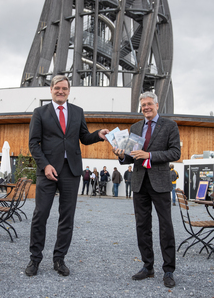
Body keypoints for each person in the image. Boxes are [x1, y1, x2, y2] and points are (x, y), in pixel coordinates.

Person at [26, 75, 109, 277]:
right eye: (57, 88)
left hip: (71, 171)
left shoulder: (77, 112)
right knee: (40, 214)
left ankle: (59, 259)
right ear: (51, 90)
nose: (61, 91)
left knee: (67, 217)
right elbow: (33, 144)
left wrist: (97, 135)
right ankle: (35, 259)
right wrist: (45, 165)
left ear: (69, 91)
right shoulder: (40, 113)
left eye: (64, 88)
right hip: (47, 171)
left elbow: (83, 138)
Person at [113, 91, 180, 288]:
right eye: (143, 105)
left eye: (149, 104)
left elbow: (175, 152)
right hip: (139, 182)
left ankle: (168, 270)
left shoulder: (170, 126)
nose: (146, 108)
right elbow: (130, 157)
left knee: (165, 226)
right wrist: (120, 155)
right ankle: (147, 266)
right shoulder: (135, 127)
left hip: (160, 182)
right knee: (142, 226)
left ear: (157, 105)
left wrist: (149, 155)